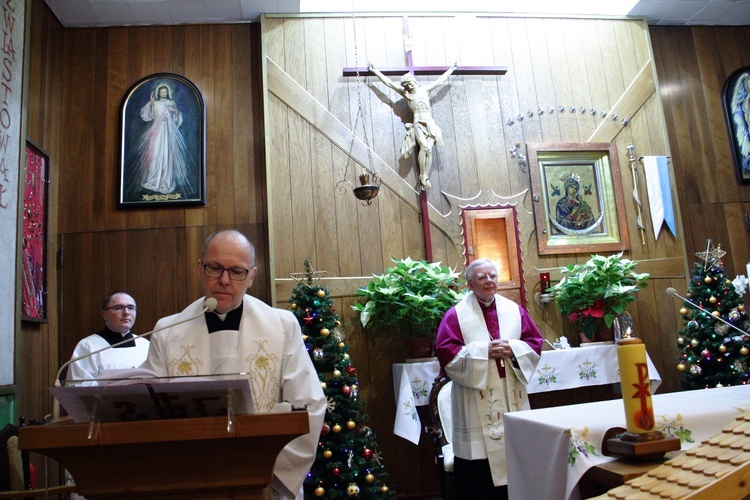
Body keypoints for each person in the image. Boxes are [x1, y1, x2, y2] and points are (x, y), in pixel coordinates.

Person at [141, 229, 326, 499]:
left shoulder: (282, 326)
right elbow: (152, 411)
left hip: (263, 480)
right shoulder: (168, 331)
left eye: (237, 272)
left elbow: (308, 405)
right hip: (191, 481)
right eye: (214, 268)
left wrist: (270, 473)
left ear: (251, 276)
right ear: (199, 269)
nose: (224, 280)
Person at [435, 258, 543, 499]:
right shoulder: (456, 315)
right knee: (479, 466)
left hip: (510, 390)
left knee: (515, 452)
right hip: (477, 393)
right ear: (470, 284)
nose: (489, 281)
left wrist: (512, 349)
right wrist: (484, 351)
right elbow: (446, 352)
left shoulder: (514, 310)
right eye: (482, 277)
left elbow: (534, 343)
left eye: (492, 276)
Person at [368, 61, 458, 191]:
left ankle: (425, 176)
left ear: (414, 82)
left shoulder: (424, 89)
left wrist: (451, 70)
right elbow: (388, 83)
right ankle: (422, 176)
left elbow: (440, 81)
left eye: (410, 83)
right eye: (407, 85)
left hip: (430, 123)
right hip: (417, 124)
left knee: (428, 150)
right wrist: (376, 71)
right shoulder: (406, 94)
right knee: (424, 146)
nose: (410, 86)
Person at [65, 291, 149, 385]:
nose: (126, 313)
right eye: (118, 308)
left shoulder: (145, 344)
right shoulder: (87, 346)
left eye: (131, 308)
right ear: (105, 315)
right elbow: (78, 384)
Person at [135, 83, 193, 195]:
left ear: (168, 93)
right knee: (155, 155)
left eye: (165, 92)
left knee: (167, 155)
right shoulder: (155, 103)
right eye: (161, 92)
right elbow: (148, 116)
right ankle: (153, 179)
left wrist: (174, 111)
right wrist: (151, 103)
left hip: (168, 131)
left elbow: (177, 117)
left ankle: (166, 182)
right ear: (158, 93)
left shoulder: (172, 103)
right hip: (157, 131)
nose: (163, 94)